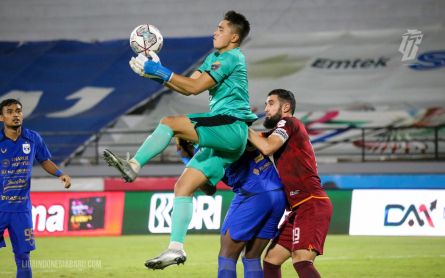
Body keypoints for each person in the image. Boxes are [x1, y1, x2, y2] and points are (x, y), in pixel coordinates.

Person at [102, 10, 257, 270]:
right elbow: (188, 85)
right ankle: (176, 249)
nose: (215, 32)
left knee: (168, 124)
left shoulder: (231, 57)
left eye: (221, 28)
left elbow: (194, 88)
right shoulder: (215, 58)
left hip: (231, 126)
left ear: (234, 36)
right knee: (183, 187)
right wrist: (154, 75)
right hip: (224, 136)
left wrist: (161, 70)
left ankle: (134, 165)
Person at [247, 89, 333, 278]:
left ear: (285, 107)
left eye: (270, 103)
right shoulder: (278, 132)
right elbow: (253, 142)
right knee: (271, 260)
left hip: (311, 202)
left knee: (301, 259)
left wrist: (241, 127)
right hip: (297, 208)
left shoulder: (289, 122)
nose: (266, 109)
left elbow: (268, 147)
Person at [177, 139, 286, 278]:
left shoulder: (204, 151)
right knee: (252, 256)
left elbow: (209, 189)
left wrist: (189, 162)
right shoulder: (232, 132)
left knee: (227, 256)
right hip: (278, 193)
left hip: (253, 195)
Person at [0, 98, 72, 278]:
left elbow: (44, 161)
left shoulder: (33, 138)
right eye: (10, 112)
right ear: (1, 118)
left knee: (23, 257)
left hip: (21, 210)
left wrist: (60, 174)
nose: (15, 115)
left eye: (18, 111)